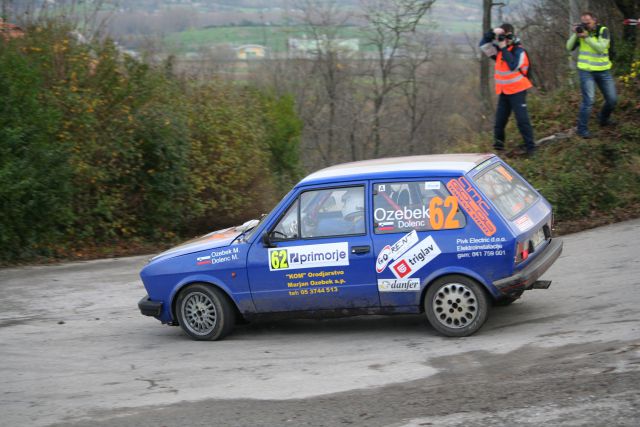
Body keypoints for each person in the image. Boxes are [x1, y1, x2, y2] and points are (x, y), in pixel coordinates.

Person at [480, 23, 536, 156]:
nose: (503, 39)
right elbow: (483, 45)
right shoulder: (498, 51)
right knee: (499, 122)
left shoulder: (519, 51)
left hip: (518, 90)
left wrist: (504, 48)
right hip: (504, 91)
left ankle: (531, 148)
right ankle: (498, 149)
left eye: (505, 36)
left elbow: (513, 65)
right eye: (501, 36)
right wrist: (492, 32)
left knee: (522, 120)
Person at [566, 12, 617, 139]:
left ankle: (603, 119)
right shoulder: (581, 32)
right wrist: (575, 34)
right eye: (583, 22)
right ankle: (582, 129)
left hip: (603, 70)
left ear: (594, 20)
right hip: (586, 71)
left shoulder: (603, 30)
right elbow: (569, 47)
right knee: (589, 100)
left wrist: (586, 37)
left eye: (588, 22)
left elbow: (601, 48)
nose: (585, 25)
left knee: (612, 100)